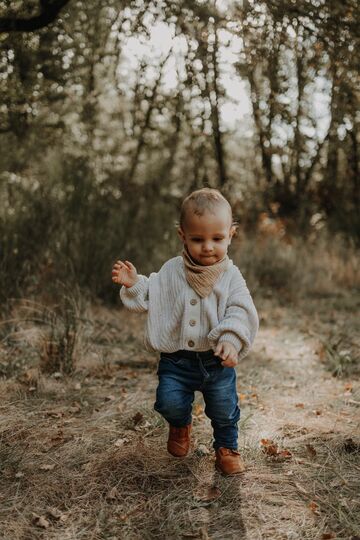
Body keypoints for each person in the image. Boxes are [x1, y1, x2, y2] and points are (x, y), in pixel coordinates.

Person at [111, 188, 258, 475]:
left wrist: (230, 340)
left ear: (231, 234)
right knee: (168, 402)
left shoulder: (230, 276)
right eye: (197, 239)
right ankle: (180, 424)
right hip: (176, 361)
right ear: (182, 236)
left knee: (224, 409)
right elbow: (155, 295)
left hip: (216, 361)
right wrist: (135, 284)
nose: (208, 247)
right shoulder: (172, 271)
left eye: (217, 239)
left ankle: (226, 449)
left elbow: (240, 309)